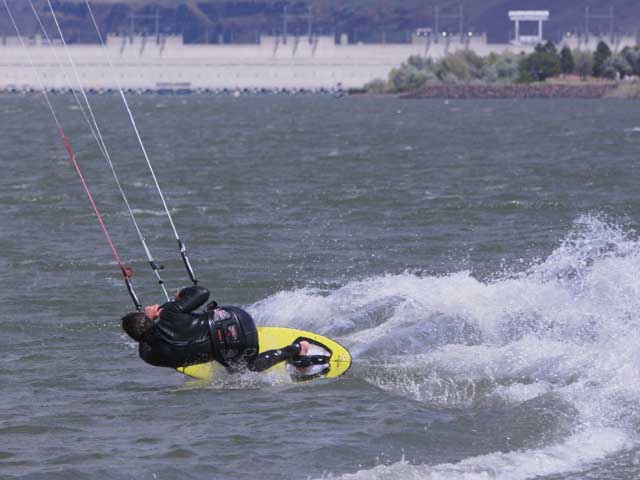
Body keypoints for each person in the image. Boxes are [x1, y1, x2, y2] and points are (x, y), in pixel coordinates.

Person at [121, 285, 311, 373]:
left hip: (242, 347)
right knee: (208, 316)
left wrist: (149, 321)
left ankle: (296, 349)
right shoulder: (169, 314)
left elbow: (148, 343)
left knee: (244, 370)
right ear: (150, 319)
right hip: (238, 320)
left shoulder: (150, 357)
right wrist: (180, 297)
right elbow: (202, 292)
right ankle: (300, 349)